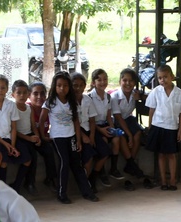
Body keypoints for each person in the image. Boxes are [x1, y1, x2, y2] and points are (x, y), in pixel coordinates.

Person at [40, 71, 97, 204]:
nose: (62, 88)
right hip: (58, 137)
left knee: (76, 163)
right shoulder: (51, 102)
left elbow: (76, 121)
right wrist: (43, 136)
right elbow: (42, 120)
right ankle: (62, 193)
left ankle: (87, 192)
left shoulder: (72, 102)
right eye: (59, 85)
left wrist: (78, 139)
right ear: (54, 86)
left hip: (71, 136)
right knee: (64, 162)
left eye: (65, 86)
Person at [145, 64, 181, 191]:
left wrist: (180, 130)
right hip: (158, 126)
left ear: (172, 77)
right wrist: (150, 127)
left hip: (172, 127)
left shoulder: (179, 93)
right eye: (160, 78)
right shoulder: (156, 92)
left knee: (171, 155)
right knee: (161, 155)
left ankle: (173, 180)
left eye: (165, 77)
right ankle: (163, 180)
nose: (163, 80)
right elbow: (151, 110)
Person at [0, 74, 30, 191]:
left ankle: (16, 185)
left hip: (10, 138)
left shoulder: (11, 105)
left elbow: (14, 127)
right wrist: (6, 145)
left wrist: (13, 145)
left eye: (3, 87)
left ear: (7, 89)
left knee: (27, 158)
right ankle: (2, 189)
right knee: (3, 161)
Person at [87, 69, 123, 183]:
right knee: (103, 140)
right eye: (99, 80)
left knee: (116, 139)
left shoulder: (108, 97)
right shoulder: (89, 98)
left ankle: (113, 168)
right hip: (95, 127)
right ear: (93, 82)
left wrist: (112, 129)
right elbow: (89, 120)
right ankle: (101, 173)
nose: (103, 82)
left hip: (105, 124)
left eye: (105, 79)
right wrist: (101, 130)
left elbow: (108, 116)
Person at [111, 68, 145, 179]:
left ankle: (130, 164)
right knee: (121, 136)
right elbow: (118, 117)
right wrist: (129, 134)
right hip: (116, 120)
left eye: (131, 81)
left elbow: (146, 101)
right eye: (124, 80)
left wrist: (139, 99)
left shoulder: (135, 94)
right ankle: (131, 163)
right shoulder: (115, 96)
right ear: (120, 81)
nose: (127, 83)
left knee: (139, 133)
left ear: (135, 83)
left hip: (128, 119)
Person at [27, 82, 58, 192]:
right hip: (28, 138)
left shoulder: (48, 108)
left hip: (42, 137)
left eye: (42, 94)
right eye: (35, 94)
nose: (39, 97)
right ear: (29, 95)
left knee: (50, 151)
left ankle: (51, 178)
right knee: (32, 155)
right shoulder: (26, 108)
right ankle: (30, 183)